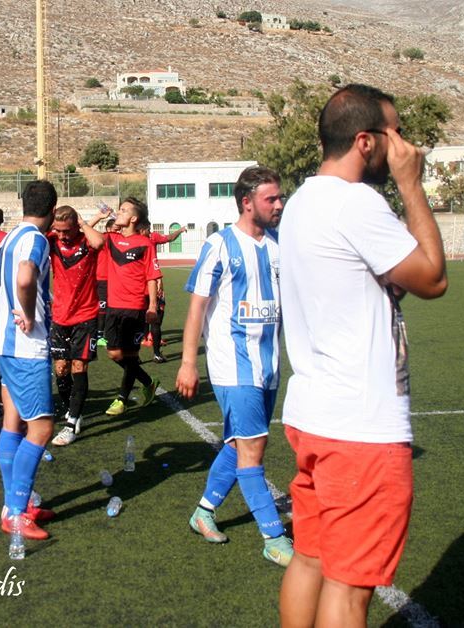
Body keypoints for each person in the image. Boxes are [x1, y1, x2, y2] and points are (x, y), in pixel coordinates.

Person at [277, 84, 447, 626]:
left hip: (314, 414)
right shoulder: (357, 203)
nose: (405, 145)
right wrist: (411, 185)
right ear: (367, 141)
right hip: (361, 426)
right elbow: (433, 278)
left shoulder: (301, 202)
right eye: (397, 132)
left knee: (310, 558)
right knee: (349, 587)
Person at [176, 165, 293, 567]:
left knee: (239, 443)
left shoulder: (277, 244)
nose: (279, 204)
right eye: (270, 198)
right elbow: (197, 307)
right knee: (253, 450)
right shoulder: (220, 245)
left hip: (268, 365)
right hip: (233, 365)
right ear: (247, 202)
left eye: (280, 197)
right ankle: (274, 537)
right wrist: (188, 362)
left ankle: (204, 512)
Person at [0, 180, 59, 542]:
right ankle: (16, 512)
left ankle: (15, 504)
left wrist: (0, 307)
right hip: (27, 348)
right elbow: (26, 277)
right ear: (52, 211)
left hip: (3, 344)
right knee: (41, 429)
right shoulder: (38, 240)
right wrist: (25, 312)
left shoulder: (10, 235)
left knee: (12, 423)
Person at [48, 204, 109, 447]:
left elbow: (100, 242)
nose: (62, 235)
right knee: (61, 369)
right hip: (60, 317)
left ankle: (71, 423)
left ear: (76, 226)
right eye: (58, 230)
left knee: (78, 367)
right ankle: (73, 409)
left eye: (66, 230)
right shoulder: (52, 241)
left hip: (85, 316)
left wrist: (85, 223)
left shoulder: (87, 242)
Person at [103, 197, 162, 416]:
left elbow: (152, 276)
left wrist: (152, 306)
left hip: (135, 306)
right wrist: (97, 217)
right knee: (114, 353)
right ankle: (148, 382)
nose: (118, 212)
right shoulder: (111, 239)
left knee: (129, 354)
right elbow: (89, 238)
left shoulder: (145, 244)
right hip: (113, 306)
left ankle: (122, 399)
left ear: (134, 218)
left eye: (123, 210)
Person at [141, 224, 186, 362]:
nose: (150, 231)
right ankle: (156, 353)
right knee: (156, 318)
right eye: (148, 229)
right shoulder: (150, 240)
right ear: (142, 229)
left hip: (137, 285)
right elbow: (169, 238)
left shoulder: (130, 240)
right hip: (151, 283)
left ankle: (139, 348)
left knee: (139, 317)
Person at [95, 217, 120, 347]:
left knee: (112, 307)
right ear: (108, 229)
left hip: (113, 279)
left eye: (119, 230)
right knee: (103, 307)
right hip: (102, 278)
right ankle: (99, 336)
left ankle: (108, 333)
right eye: (115, 229)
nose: (117, 232)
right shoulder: (104, 238)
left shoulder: (116, 240)